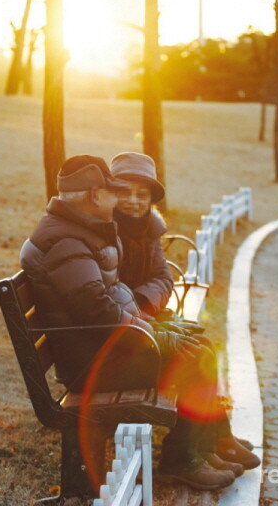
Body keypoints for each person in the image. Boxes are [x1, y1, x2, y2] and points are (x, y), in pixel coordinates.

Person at [20, 154, 237, 492]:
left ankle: (198, 453)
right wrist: (156, 337)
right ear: (95, 195)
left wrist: (157, 329)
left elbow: (111, 299)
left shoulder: (78, 232)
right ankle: (182, 462)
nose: (120, 200)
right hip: (92, 365)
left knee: (196, 351)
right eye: (113, 192)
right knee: (195, 359)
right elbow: (100, 311)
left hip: (99, 350)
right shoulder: (67, 241)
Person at [111, 152, 260, 473]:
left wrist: (140, 302)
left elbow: (163, 278)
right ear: (111, 193)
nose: (133, 201)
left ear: (151, 199)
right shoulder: (106, 233)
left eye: (142, 194)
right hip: (124, 336)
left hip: (139, 322)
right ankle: (184, 456)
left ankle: (216, 437)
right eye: (125, 192)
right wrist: (138, 309)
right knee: (193, 356)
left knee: (204, 347)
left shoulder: (149, 228)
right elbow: (110, 298)